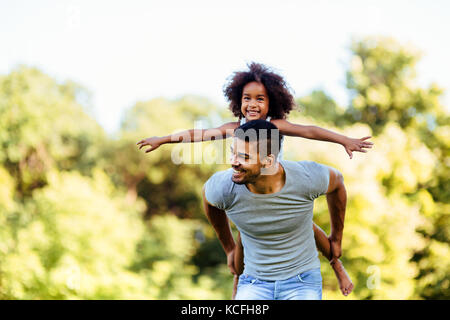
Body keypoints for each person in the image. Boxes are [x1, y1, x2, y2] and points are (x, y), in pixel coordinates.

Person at [137, 62, 368, 296]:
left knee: (304, 225)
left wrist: (343, 140)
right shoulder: (235, 127)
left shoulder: (275, 125)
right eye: (247, 98)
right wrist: (164, 139)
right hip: (250, 192)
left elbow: (309, 131)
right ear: (239, 101)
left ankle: (335, 263)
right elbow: (200, 134)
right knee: (246, 236)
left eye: (260, 99)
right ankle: (240, 278)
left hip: (279, 191)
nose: (252, 104)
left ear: (272, 102)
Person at [203, 120, 347, 300]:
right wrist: (229, 247)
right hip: (254, 282)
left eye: (244, 157)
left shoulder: (306, 177)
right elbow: (208, 200)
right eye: (232, 153)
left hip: (302, 282)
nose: (233, 162)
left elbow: (338, 183)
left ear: (268, 160)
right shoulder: (224, 187)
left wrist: (337, 237)